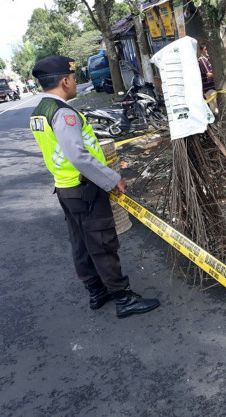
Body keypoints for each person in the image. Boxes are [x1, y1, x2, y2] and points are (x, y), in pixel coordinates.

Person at [29, 56, 160, 318]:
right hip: (84, 188)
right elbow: (78, 156)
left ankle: (96, 291)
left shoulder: (40, 111)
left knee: (81, 242)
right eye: (74, 78)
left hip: (66, 189)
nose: (76, 83)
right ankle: (123, 298)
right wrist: (112, 179)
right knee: (102, 243)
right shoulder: (63, 113)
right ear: (65, 81)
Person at [198, 43, 218, 116]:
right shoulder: (202, 60)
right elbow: (209, 75)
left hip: (214, 87)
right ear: (201, 51)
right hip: (209, 89)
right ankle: (216, 124)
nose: (207, 51)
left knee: (217, 107)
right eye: (206, 49)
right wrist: (219, 76)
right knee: (214, 109)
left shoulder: (209, 59)